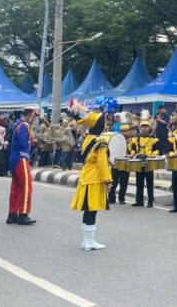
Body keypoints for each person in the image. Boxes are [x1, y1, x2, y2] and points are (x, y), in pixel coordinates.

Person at [69, 107, 112, 250]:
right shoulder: (100, 142)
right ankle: (89, 242)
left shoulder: (88, 139)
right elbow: (102, 163)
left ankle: (86, 240)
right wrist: (108, 180)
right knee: (92, 210)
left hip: (86, 176)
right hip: (95, 179)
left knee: (88, 210)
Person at [7, 107, 38, 225]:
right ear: (29, 115)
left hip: (14, 158)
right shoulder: (24, 126)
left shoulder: (17, 125)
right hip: (21, 157)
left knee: (16, 188)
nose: (34, 119)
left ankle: (12, 214)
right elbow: (23, 143)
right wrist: (31, 139)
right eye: (34, 117)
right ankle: (23, 214)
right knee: (25, 187)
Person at [129, 113, 159, 208]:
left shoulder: (153, 139)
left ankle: (150, 201)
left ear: (149, 128)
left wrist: (153, 155)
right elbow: (133, 149)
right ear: (140, 128)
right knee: (139, 182)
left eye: (146, 127)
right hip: (139, 162)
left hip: (149, 162)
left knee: (150, 183)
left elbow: (157, 149)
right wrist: (132, 154)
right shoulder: (136, 139)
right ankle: (139, 200)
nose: (144, 129)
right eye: (143, 127)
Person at [108, 123, 135, 204]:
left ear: (130, 131)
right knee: (113, 182)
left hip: (126, 163)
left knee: (124, 182)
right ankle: (111, 198)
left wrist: (131, 155)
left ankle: (121, 198)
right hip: (116, 163)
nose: (124, 133)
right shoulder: (116, 140)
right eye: (122, 131)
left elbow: (134, 150)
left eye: (126, 131)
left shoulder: (133, 141)